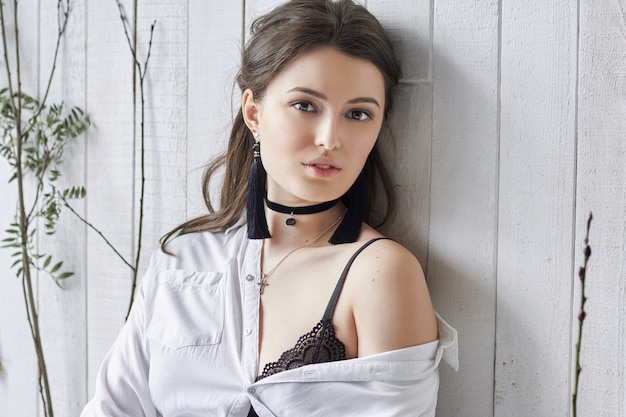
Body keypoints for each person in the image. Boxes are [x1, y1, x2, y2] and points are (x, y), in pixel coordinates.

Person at [81, 0, 457, 416]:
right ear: (253, 112)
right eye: (306, 105)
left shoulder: (379, 273)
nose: (330, 138)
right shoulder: (181, 260)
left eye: (358, 113)